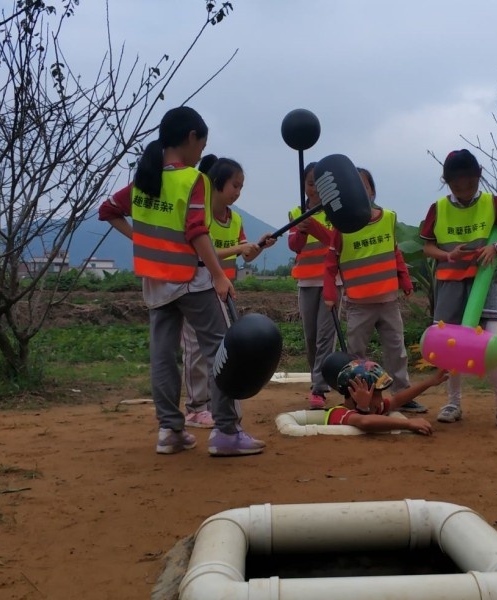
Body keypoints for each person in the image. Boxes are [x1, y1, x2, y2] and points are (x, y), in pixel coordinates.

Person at [98, 106, 265, 456]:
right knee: (222, 349)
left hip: (155, 284)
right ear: (191, 138)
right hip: (191, 280)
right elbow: (196, 232)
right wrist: (219, 276)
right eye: (201, 146)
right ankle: (226, 432)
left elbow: (108, 209)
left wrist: (140, 239)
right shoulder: (193, 180)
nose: (201, 154)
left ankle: (170, 432)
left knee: (162, 355)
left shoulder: (144, 180)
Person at [420, 149, 497, 430]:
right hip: (450, 284)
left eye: (470, 183)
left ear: (479, 177)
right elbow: (427, 247)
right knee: (450, 345)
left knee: (493, 342)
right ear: (447, 181)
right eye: (457, 185)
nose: (465, 190)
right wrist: (447, 256)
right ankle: (453, 403)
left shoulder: (493, 203)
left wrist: (496, 246)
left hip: (485, 282)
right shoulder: (438, 208)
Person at [180, 155, 276, 429]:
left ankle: (213, 405)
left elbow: (246, 256)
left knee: (221, 350)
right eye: (234, 185)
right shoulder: (201, 216)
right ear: (217, 183)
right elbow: (197, 248)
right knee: (195, 349)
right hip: (195, 289)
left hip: (222, 292)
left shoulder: (235, 219)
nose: (238, 192)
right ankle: (195, 407)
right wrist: (237, 249)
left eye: (241, 187)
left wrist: (257, 247)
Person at [322, 167, 427, 414]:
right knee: (355, 355)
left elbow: (395, 252)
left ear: (372, 191)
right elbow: (330, 264)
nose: (360, 193)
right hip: (358, 304)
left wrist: (406, 280)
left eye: (364, 187)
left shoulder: (388, 218)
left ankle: (402, 395)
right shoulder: (341, 227)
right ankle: (357, 400)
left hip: (388, 301)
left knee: (396, 351)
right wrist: (330, 294)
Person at [288, 162, 341, 410]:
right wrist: (301, 230)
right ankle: (316, 379)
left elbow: (339, 244)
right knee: (311, 336)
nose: (315, 190)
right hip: (306, 282)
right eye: (310, 184)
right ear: (304, 186)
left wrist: (316, 228)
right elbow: (295, 246)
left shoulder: (338, 212)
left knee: (325, 337)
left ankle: (319, 388)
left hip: (331, 282)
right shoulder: (296, 211)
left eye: (320, 184)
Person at [325, 358, 448, 434]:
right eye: (375, 394)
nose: (380, 400)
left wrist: (429, 382)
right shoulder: (339, 413)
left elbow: (397, 400)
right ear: (353, 393)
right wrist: (409, 423)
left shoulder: (373, 407)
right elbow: (365, 421)